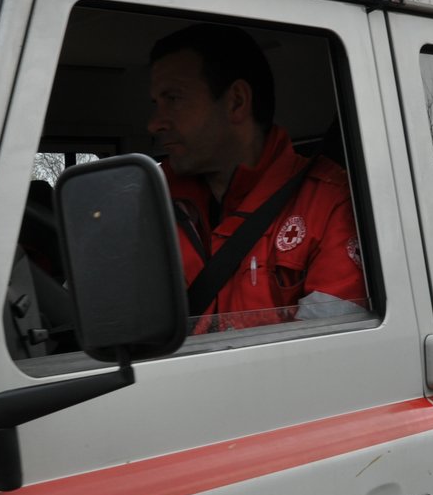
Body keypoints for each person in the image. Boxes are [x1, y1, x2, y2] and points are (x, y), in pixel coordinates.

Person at [147, 24, 366, 332]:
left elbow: (324, 359)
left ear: (236, 101)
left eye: (173, 98)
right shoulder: (148, 208)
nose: (154, 123)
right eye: (155, 103)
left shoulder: (329, 203)